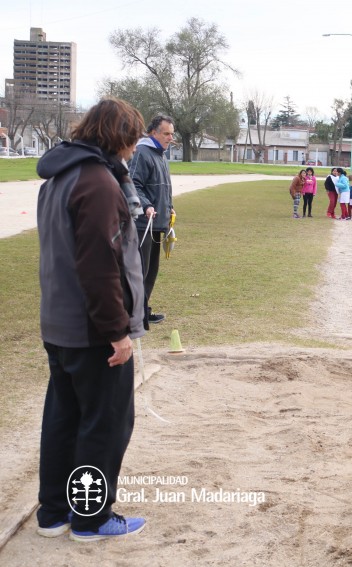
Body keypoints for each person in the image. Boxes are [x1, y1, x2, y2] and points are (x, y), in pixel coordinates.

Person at [35, 97, 147, 541]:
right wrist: (117, 331)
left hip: (59, 324)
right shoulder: (97, 182)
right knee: (104, 422)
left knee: (63, 418)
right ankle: (91, 518)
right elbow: (100, 265)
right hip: (91, 330)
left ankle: (54, 512)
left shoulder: (59, 177)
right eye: (132, 139)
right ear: (117, 136)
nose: (134, 149)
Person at [128, 114, 175, 327]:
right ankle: (134, 315)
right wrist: (146, 206)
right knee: (140, 271)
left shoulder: (161, 155)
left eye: (172, 134)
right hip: (142, 224)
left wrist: (169, 208)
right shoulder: (142, 153)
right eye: (166, 133)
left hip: (157, 224)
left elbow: (163, 188)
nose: (170, 138)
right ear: (153, 133)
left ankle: (143, 311)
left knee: (151, 271)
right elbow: (134, 184)